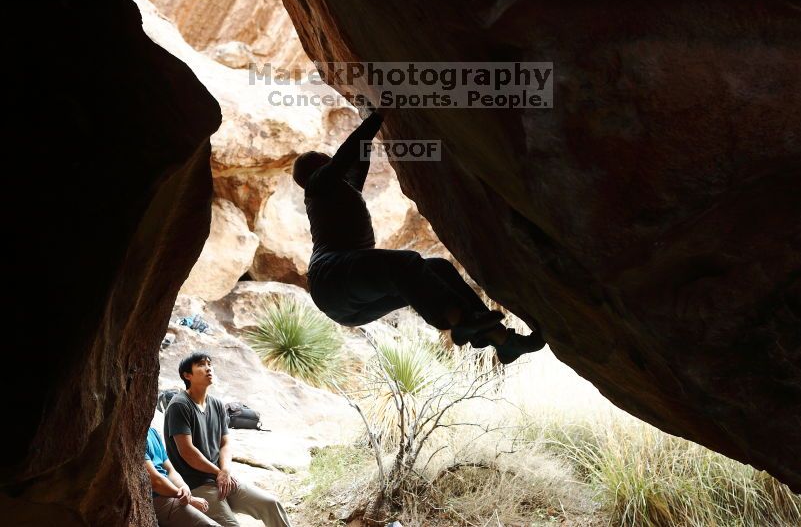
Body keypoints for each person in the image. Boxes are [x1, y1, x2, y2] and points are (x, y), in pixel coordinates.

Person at [293, 109, 545, 364]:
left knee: (438, 269)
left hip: (347, 307)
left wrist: (373, 119)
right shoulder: (317, 185)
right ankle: (458, 321)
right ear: (316, 170)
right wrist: (378, 114)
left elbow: (358, 157)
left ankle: (504, 342)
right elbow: (347, 155)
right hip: (332, 277)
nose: (328, 157)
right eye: (322, 158)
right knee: (405, 264)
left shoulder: (340, 192)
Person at [163, 352, 292, 527]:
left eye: (209, 363)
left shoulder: (216, 404)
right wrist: (219, 473)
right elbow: (187, 452)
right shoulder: (180, 405)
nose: (208, 368)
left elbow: (225, 443)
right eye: (201, 365)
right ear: (187, 375)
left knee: (271, 504)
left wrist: (225, 470)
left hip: (222, 478)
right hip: (196, 485)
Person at [145, 426, 220, 527]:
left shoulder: (152, 432)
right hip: (156, 497)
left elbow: (170, 470)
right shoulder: (135, 437)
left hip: (171, 492)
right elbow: (155, 482)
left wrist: (184, 488)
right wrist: (189, 499)